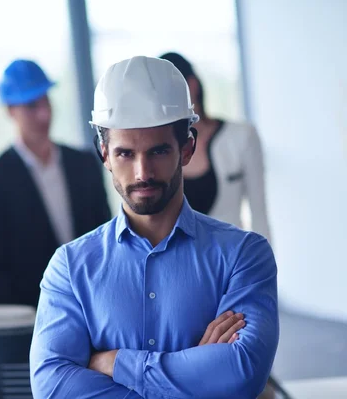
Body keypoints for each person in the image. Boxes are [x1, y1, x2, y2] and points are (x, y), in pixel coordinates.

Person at [29, 56, 279, 398]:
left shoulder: (244, 256)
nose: (142, 172)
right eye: (125, 154)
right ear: (103, 153)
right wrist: (197, 376)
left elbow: (241, 374)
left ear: (187, 148)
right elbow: (53, 387)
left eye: (158, 151)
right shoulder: (70, 268)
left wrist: (115, 362)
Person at [0, 59, 111, 307]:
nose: (44, 113)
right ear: (10, 110)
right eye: (32, 105)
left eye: (46, 101)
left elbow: (105, 238)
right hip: (30, 313)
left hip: (94, 301)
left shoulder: (83, 164)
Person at [159, 52, 272, 241]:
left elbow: (259, 213)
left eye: (169, 91)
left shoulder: (241, 136)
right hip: (178, 260)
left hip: (232, 258)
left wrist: (265, 265)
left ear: (192, 85)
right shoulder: (156, 150)